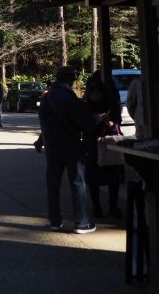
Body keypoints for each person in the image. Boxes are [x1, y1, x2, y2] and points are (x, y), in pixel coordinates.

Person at [38, 66, 98, 234]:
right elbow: (85, 123)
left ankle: (55, 221)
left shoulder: (46, 98)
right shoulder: (70, 98)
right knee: (78, 183)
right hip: (71, 146)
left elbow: (45, 123)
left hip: (52, 147)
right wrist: (96, 120)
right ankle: (81, 223)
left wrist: (42, 140)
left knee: (53, 184)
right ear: (72, 79)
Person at [83, 70, 125, 219]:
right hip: (108, 137)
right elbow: (118, 114)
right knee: (112, 172)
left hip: (94, 138)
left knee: (95, 174)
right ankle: (110, 207)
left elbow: (84, 118)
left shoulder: (89, 96)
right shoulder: (112, 90)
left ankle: (98, 208)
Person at [126, 76, 148, 140]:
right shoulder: (137, 82)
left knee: (141, 135)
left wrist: (133, 114)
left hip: (138, 113)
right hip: (139, 112)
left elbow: (129, 101)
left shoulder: (135, 82)